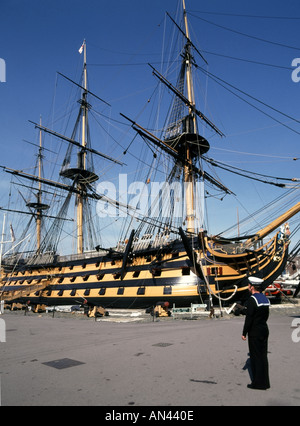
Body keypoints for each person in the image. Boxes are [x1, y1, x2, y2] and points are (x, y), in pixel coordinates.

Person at [241, 276, 270, 390]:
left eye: (249, 285)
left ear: (251, 287)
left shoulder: (252, 299)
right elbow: (265, 316)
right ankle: (265, 382)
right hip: (264, 329)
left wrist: (244, 333)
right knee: (263, 357)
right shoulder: (264, 299)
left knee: (256, 357)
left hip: (255, 331)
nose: (248, 287)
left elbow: (249, 319)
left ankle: (258, 383)